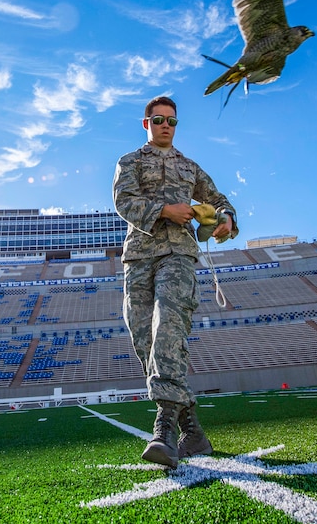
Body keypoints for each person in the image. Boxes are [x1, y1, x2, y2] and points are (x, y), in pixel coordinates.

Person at [112, 96, 238, 468]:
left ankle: (164, 429)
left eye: (172, 120)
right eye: (158, 119)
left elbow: (219, 200)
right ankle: (193, 432)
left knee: (168, 324)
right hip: (138, 256)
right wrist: (165, 210)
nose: (166, 125)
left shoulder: (190, 167)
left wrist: (226, 219)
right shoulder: (130, 162)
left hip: (179, 254)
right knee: (144, 339)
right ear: (146, 123)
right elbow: (124, 201)